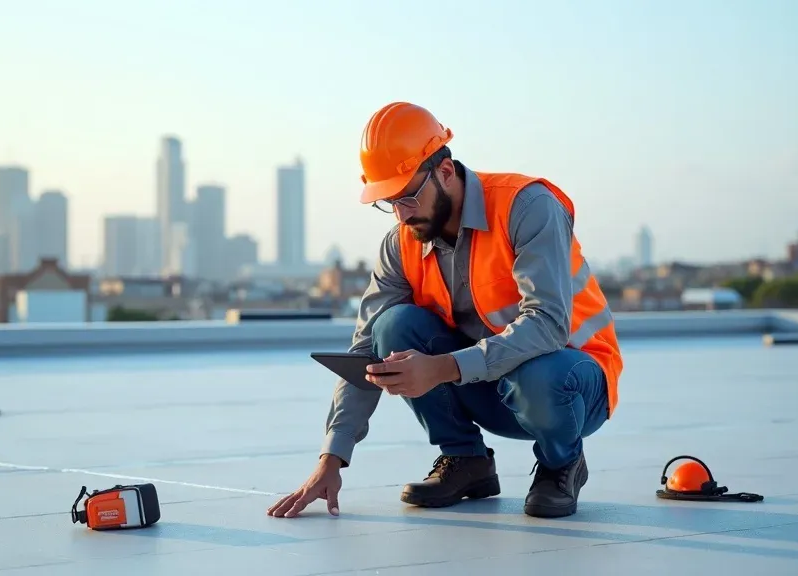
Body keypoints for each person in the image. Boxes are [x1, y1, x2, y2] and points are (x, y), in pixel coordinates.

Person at [266, 101, 624, 520]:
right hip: (491, 385)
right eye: (390, 202)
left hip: (572, 384)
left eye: (409, 197)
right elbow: (364, 352)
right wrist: (333, 457)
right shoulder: (402, 242)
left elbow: (547, 324)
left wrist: (441, 368)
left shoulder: (526, 207)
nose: (401, 214)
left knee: (541, 373)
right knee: (393, 326)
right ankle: (466, 460)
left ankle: (561, 464)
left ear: (446, 172)